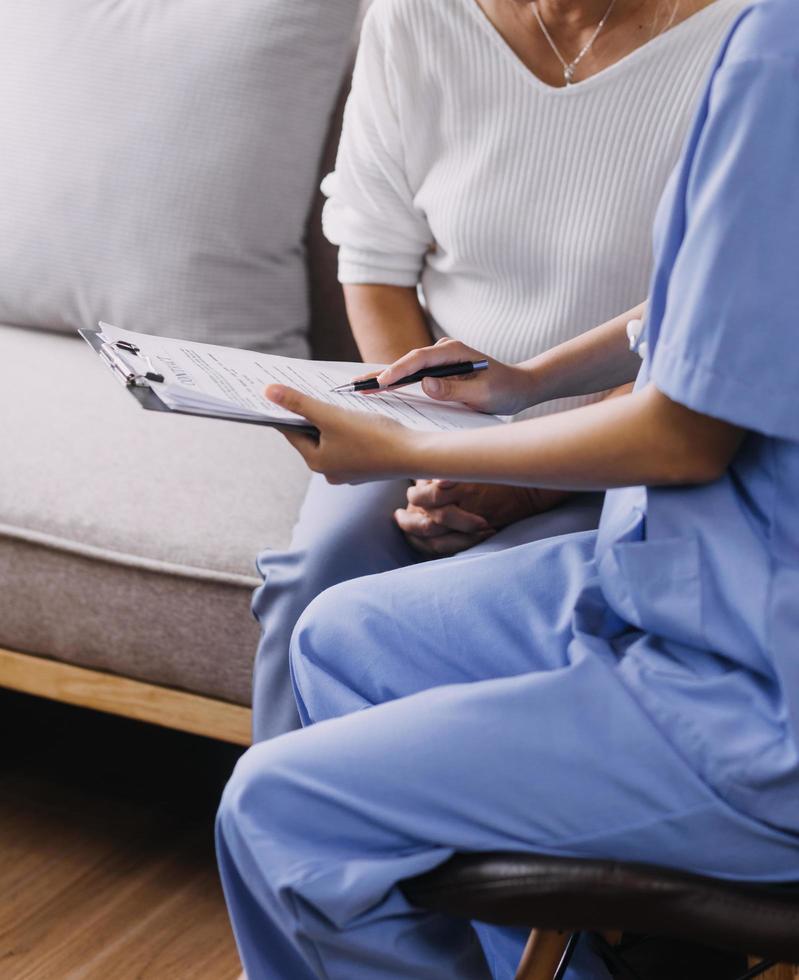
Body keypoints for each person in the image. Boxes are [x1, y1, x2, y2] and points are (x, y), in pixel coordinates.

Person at [217, 1, 799, 975]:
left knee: (280, 810)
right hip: (695, 560)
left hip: (755, 667)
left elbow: (687, 433)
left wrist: (488, 453)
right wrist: (522, 385)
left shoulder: (771, 47)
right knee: (334, 629)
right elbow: (723, 280)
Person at [250, 0, 746, 740]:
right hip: (439, 412)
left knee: (463, 608)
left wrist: (526, 475)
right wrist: (432, 433)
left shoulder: (753, 36)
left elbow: (707, 317)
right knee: (315, 573)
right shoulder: (414, 17)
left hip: (629, 435)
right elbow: (376, 261)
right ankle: (296, 832)